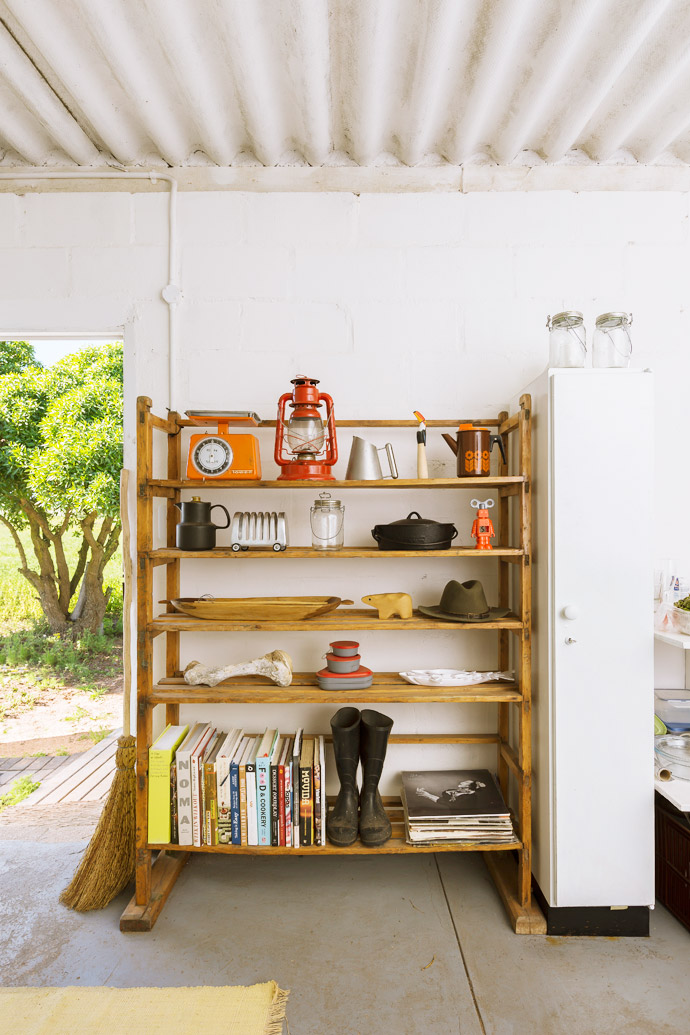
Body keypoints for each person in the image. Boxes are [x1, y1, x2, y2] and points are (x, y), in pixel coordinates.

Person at [415, 778, 486, 806]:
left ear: (468, 789)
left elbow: (447, 802)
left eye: (466, 783)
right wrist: (427, 794)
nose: (461, 782)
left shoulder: (470, 798)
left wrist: (428, 795)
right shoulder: (456, 791)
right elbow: (443, 799)